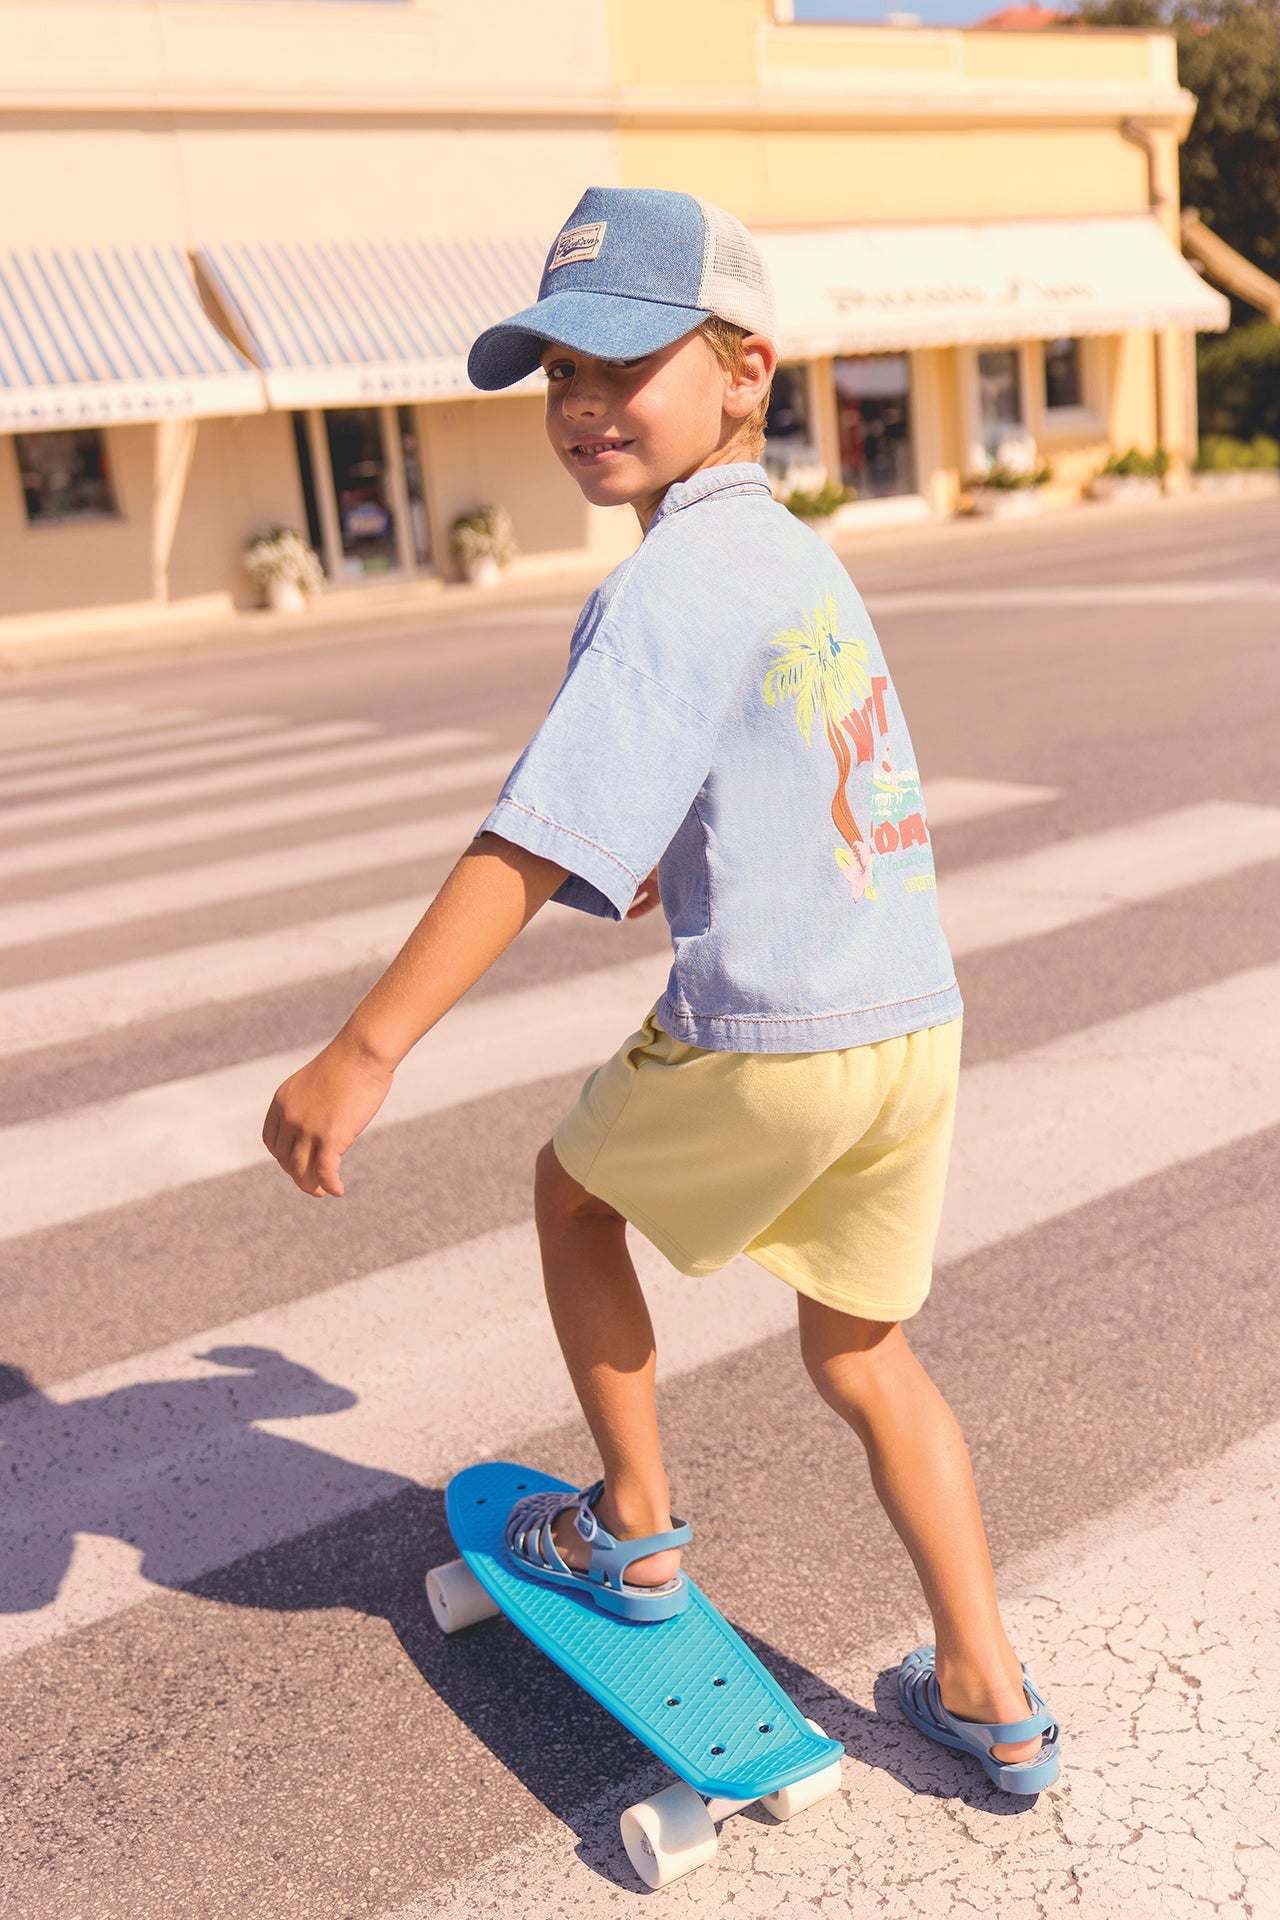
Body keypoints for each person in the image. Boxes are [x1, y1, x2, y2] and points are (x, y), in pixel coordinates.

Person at [262, 187, 1060, 1795]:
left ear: (745, 371)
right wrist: (670, 859)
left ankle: (629, 1531)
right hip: (910, 1021)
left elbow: (530, 832)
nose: (579, 406)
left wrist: (366, 1047)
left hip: (778, 1027)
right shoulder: (791, 559)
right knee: (860, 1355)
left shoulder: (663, 586)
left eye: (623, 366)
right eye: (557, 372)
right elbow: (795, 776)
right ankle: (989, 1692)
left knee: (569, 1198)